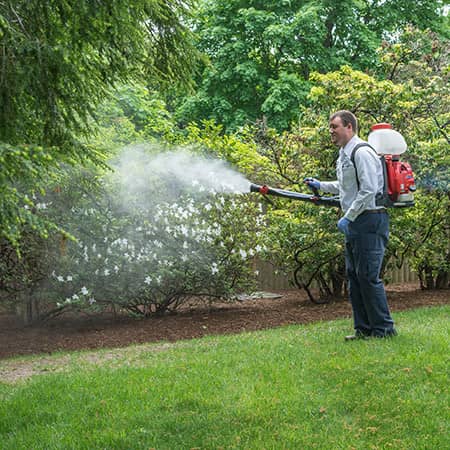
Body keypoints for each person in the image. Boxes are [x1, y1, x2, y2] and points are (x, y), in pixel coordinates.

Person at [305, 110, 397, 340]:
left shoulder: (362, 152)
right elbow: (346, 186)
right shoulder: (344, 154)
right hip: (357, 221)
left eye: (334, 127)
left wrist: (349, 216)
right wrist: (320, 185)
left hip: (370, 220)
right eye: (330, 127)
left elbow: (368, 188)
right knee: (355, 277)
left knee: (368, 276)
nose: (331, 132)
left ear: (349, 127)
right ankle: (363, 329)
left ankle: (384, 330)